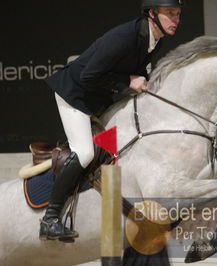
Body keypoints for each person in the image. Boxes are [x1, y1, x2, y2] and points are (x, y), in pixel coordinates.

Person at [39, 0, 183, 241]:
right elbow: (89, 75)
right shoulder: (124, 37)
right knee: (85, 153)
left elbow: (133, 70)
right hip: (74, 94)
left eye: (178, 14)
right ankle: (50, 219)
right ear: (151, 13)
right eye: (170, 13)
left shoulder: (154, 38)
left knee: (125, 144)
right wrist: (128, 81)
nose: (176, 20)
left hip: (99, 98)